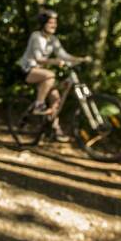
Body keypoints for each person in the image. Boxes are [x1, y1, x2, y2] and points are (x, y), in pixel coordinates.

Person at [19, 8, 90, 142]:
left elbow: (64, 55)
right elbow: (38, 58)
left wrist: (79, 59)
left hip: (42, 73)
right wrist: (55, 61)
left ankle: (55, 129)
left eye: (55, 22)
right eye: (51, 22)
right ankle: (38, 105)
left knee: (56, 99)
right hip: (28, 70)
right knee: (50, 75)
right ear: (43, 24)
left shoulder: (53, 39)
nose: (54, 25)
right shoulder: (36, 36)